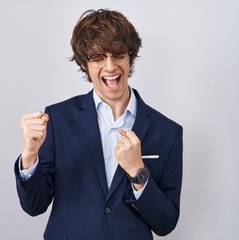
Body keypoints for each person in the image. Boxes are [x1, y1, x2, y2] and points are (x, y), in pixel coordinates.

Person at [14, 9, 183, 240]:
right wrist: (30, 156)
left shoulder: (168, 132)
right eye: (98, 57)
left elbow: (166, 223)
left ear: (130, 57)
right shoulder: (57, 120)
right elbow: (34, 206)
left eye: (118, 55)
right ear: (85, 64)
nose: (110, 66)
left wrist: (138, 172)